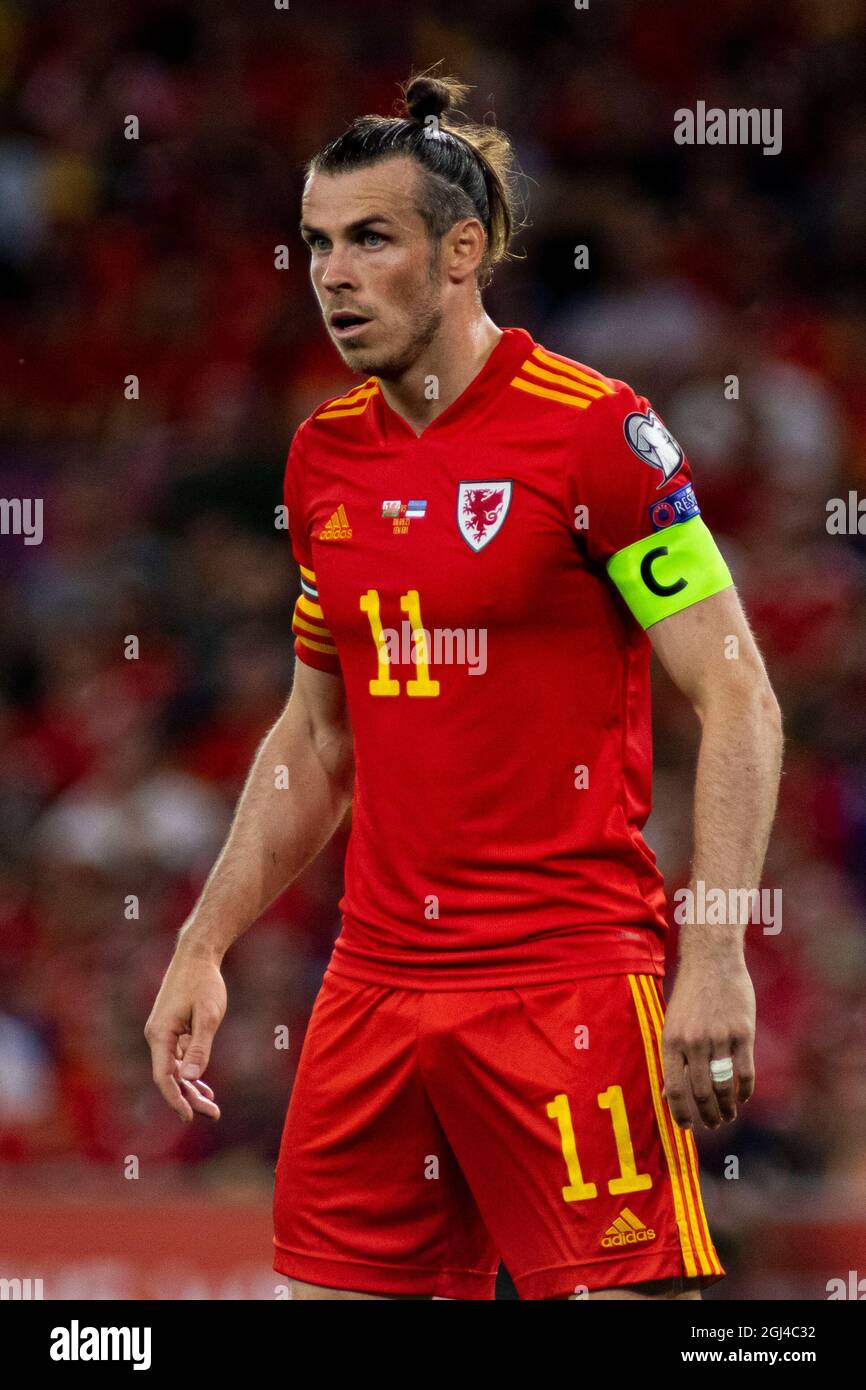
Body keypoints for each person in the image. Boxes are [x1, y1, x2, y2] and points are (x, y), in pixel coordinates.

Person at [145, 70, 784, 1300]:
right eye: (316, 244)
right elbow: (318, 736)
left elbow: (739, 693)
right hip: (372, 986)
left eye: (368, 239)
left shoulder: (596, 432)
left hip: (566, 982)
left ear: (461, 251)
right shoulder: (323, 455)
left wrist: (712, 954)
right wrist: (202, 941)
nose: (331, 274)